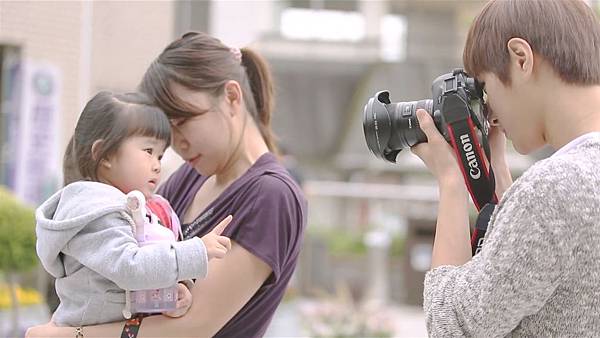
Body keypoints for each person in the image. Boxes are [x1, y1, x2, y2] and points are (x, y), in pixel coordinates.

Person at [28, 31, 307, 338]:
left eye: (184, 121)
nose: (178, 144)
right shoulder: (191, 176)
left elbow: (192, 327)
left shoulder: (272, 195)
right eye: (166, 131)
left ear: (231, 97)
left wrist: (66, 335)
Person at [411, 0, 600, 336]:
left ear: (521, 59)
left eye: (485, 89)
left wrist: (451, 182)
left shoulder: (553, 189)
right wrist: (501, 181)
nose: (491, 114)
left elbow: (453, 327)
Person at [35, 91, 232, 326]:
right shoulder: (95, 212)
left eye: (160, 155)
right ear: (104, 154)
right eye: (149, 151)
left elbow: (141, 280)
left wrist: (176, 294)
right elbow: (130, 268)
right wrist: (197, 251)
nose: (157, 165)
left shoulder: (145, 208)